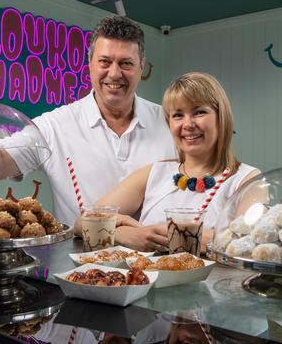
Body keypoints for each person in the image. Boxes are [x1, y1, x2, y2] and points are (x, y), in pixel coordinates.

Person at [0, 16, 175, 226]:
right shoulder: (54, 126)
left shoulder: (170, 122)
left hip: (160, 270)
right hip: (78, 271)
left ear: (141, 66)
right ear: (90, 64)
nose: (114, 74)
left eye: (126, 63)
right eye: (105, 62)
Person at [76, 72, 260, 252]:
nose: (187, 124)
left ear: (222, 118)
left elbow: (245, 242)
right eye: (178, 115)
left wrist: (146, 232)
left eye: (199, 112)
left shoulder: (247, 180)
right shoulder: (154, 172)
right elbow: (82, 223)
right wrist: (124, 235)